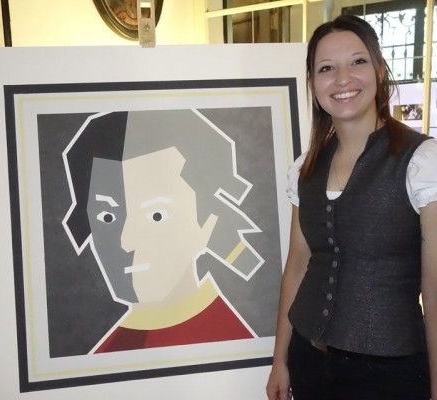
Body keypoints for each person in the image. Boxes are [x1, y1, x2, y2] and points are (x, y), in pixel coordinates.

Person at [266, 14, 437, 400]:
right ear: (313, 83)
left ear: (378, 70)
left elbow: (435, 286)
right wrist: (279, 360)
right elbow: (297, 266)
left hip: (391, 372)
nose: (343, 79)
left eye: (357, 62)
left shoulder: (422, 162)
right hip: (309, 360)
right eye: (327, 68)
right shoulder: (306, 168)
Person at [62, 109, 264, 353]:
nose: (127, 240)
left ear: (207, 222)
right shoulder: (104, 355)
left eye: (156, 215)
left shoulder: (234, 345)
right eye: (107, 217)